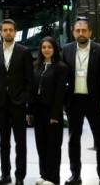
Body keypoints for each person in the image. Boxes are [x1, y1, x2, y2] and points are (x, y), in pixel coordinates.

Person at [62, 18, 100, 185]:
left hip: (95, 103)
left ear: (90, 32)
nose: (81, 33)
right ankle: (75, 175)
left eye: (84, 30)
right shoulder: (66, 50)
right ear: (73, 33)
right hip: (74, 101)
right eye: (78, 31)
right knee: (73, 140)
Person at [0, 19, 33, 185]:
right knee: (3, 142)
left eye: (10, 30)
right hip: (0, 102)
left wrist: (25, 98)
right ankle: (5, 175)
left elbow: (29, 79)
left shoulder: (24, 51)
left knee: (20, 141)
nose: (8, 32)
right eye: (5, 30)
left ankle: (20, 176)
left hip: (18, 102)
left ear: (15, 32)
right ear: (0, 32)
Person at [31, 37, 68, 185]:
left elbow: (60, 93)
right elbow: (32, 90)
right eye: (44, 47)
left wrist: (55, 114)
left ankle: (53, 178)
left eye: (50, 47)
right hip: (38, 111)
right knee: (41, 144)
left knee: (53, 145)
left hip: (52, 112)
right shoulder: (36, 66)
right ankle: (44, 175)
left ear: (55, 49)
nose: (46, 50)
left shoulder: (61, 67)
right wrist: (30, 111)